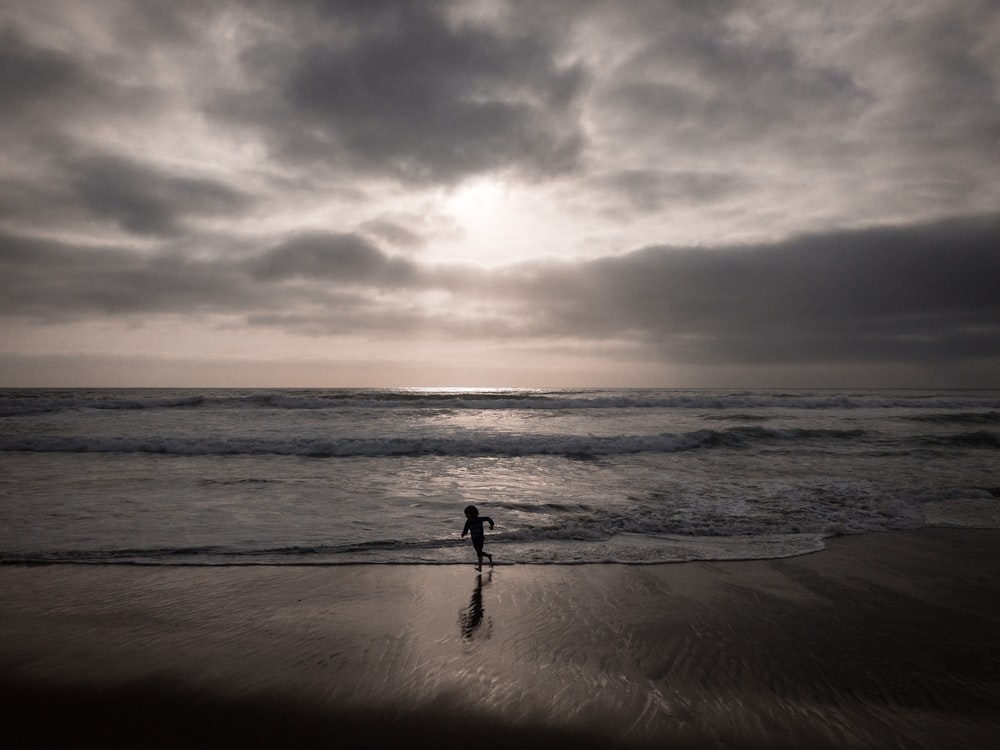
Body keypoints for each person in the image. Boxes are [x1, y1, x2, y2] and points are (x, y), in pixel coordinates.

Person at [461, 505, 494, 571]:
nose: (466, 516)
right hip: (474, 539)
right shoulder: (468, 522)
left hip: (480, 538)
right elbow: (466, 529)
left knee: (479, 552)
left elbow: (488, 518)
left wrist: (492, 525)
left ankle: (480, 566)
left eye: (467, 514)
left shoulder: (479, 519)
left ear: (472, 513)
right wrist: (463, 533)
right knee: (478, 553)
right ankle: (487, 557)